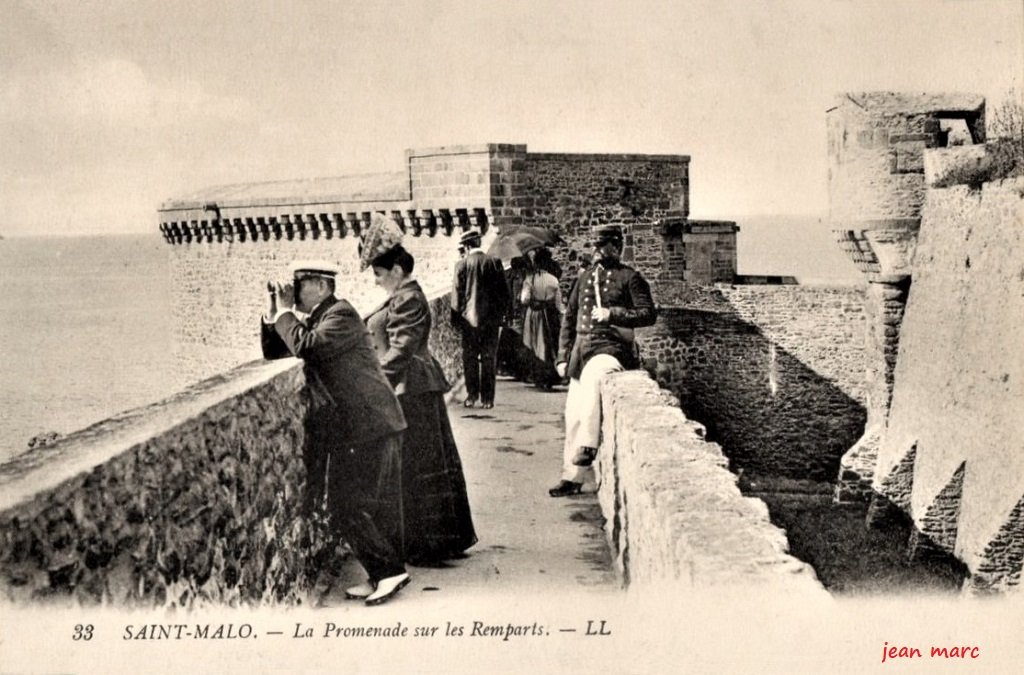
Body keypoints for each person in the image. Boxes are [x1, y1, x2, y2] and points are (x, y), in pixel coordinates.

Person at [261, 259, 411, 605]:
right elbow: (275, 350)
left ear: (323, 286)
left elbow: (307, 347)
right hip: (362, 425)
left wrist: (287, 313)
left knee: (348, 505)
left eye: (301, 284)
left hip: (369, 424)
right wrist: (274, 313)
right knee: (361, 504)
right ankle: (383, 573)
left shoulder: (340, 316)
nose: (294, 290)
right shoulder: (320, 319)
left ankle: (389, 573)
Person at [359, 214, 478, 564]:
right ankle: (432, 541)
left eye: (379, 275)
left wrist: (373, 383)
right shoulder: (403, 295)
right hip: (412, 389)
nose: (378, 282)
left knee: (419, 465)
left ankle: (428, 545)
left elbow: (402, 348)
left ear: (396, 269)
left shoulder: (408, 298)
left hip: (412, 389)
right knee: (423, 463)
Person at [548, 225, 657, 497]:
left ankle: (587, 446)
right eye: (597, 245)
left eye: (606, 245)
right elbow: (569, 320)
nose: (600, 250)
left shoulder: (630, 278)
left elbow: (647, 314)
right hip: (581, 351)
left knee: (597, 377)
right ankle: (572, 478)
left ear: (617, 247)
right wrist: (562, 356)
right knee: (573, 413)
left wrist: (613, 313)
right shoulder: (584, 278)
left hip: (611, 348)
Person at [450, 228, 510, 408]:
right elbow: (504, 293)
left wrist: (456, 320)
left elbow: (456, 296)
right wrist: (501, 315)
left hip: (469, 322)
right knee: (488, 358)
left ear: (467, 246)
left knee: (469, 358)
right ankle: (488, 399)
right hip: (490, 321)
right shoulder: (494, 262)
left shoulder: (461, 265)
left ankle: (471, 396)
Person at [520, 246, 564, 389]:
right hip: (549, 314)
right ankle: (549, 377)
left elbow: (524, 300)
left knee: (534, 344)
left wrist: (528, 295)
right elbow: (558, 303)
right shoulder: (553, 280)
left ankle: (538, 376)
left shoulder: (529, 279)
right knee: (548, 344)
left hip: (534, 313)